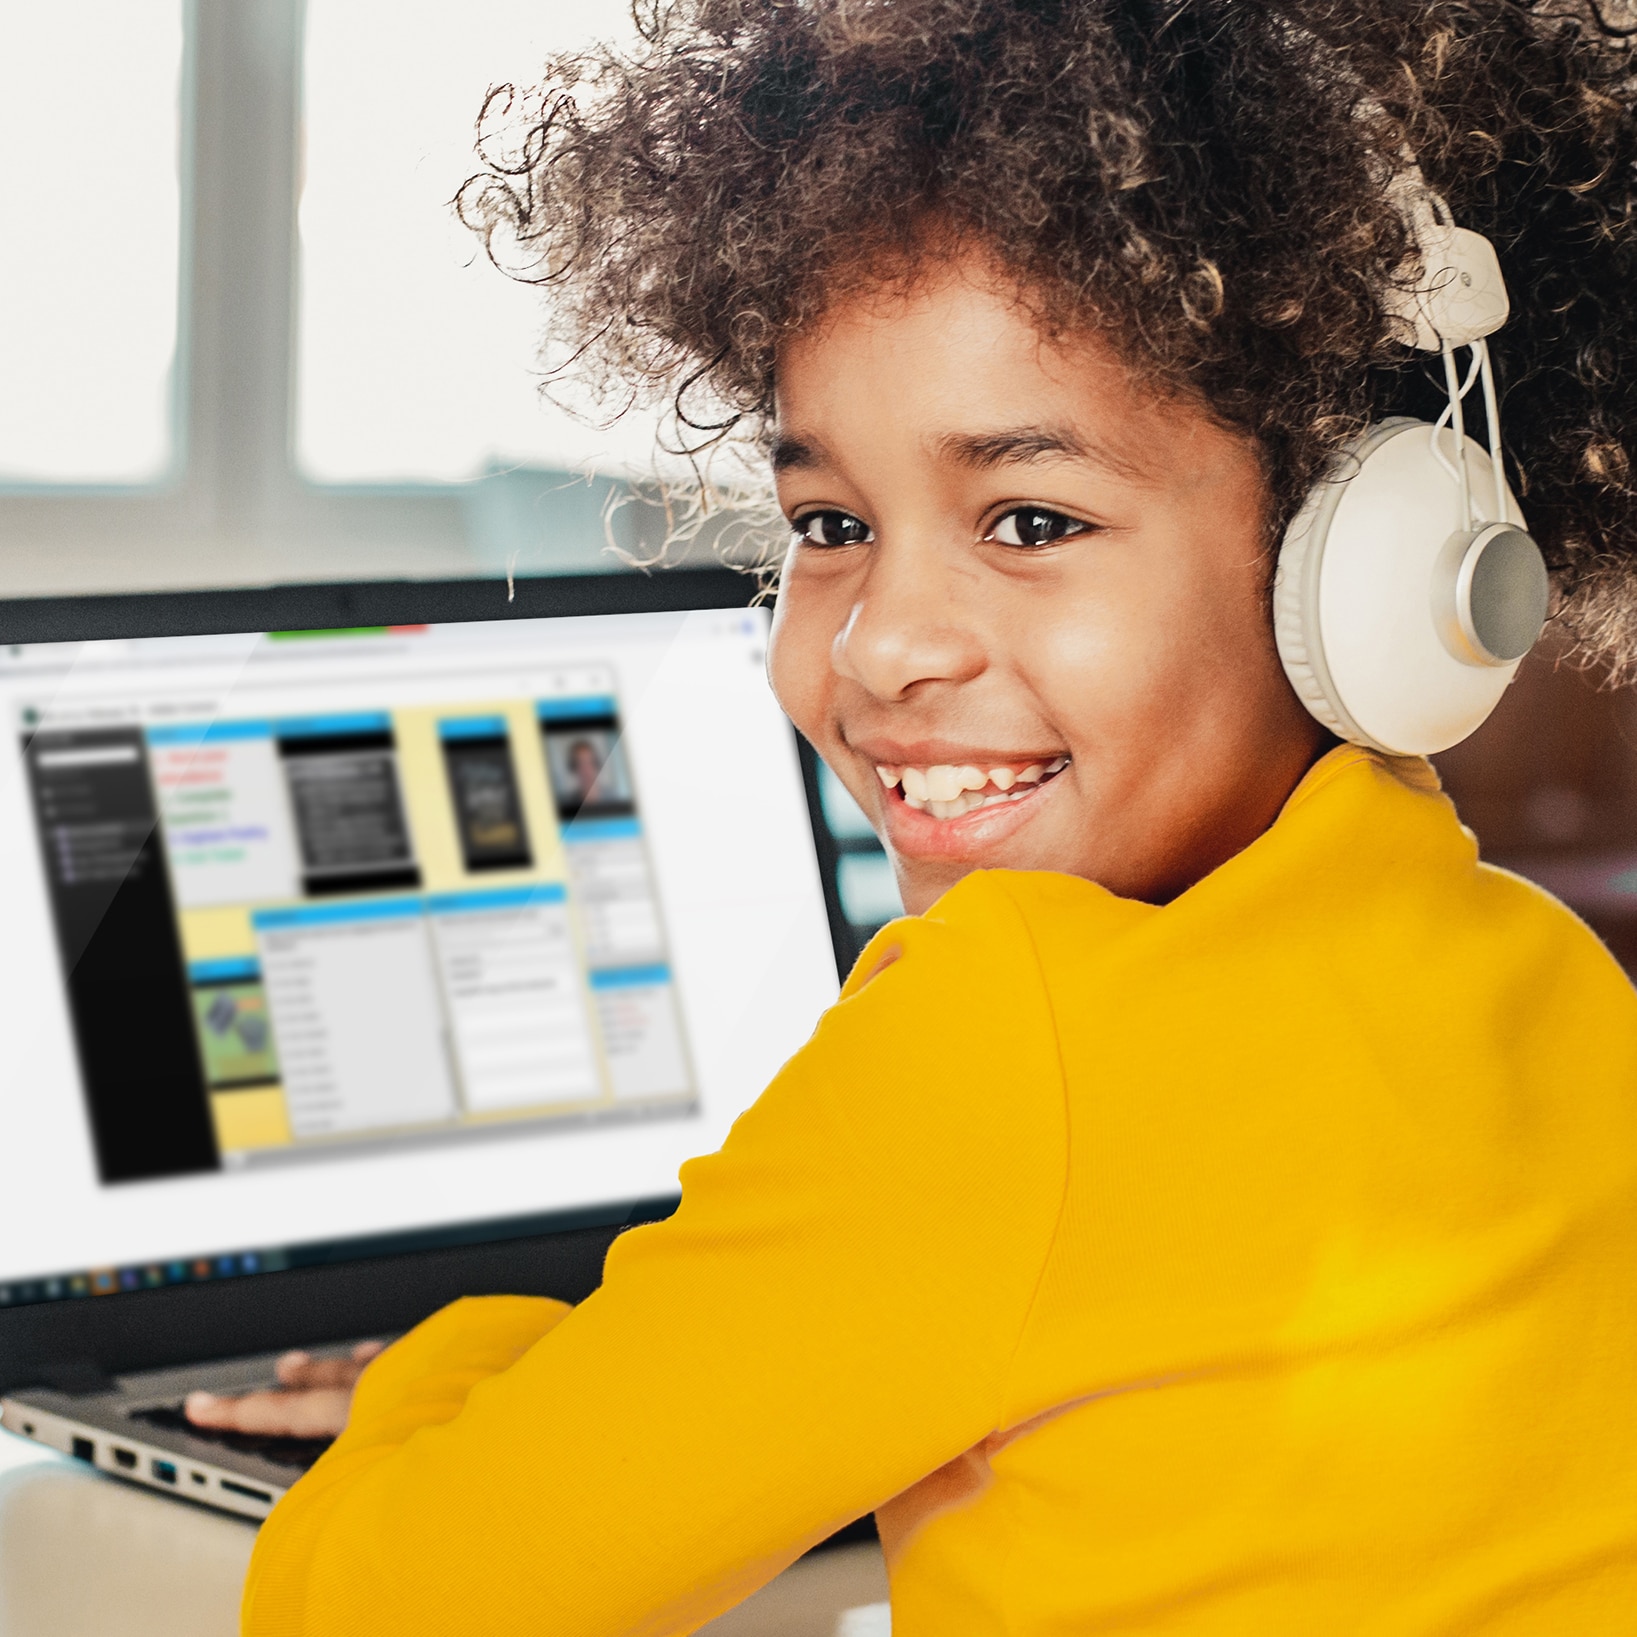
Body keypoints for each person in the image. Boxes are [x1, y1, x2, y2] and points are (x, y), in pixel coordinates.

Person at [212, 1, 1637, 1630]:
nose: (881, 639)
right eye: (828, 521)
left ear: (1354, 556)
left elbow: (371, 1605)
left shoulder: (1008, 1037)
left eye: (1027, 518)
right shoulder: (1553, 987)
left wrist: (453, 1369)